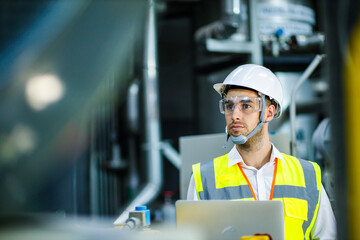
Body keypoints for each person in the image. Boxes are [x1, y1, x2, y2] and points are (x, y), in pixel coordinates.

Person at [187, 64, 336, 240]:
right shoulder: (204, 179)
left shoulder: (308, 176)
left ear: (269, 113)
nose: (234, 115)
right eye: (229, 106)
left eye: (246, 106)